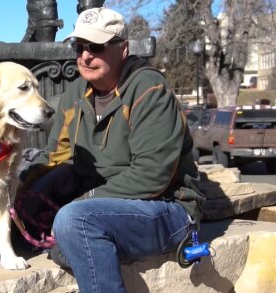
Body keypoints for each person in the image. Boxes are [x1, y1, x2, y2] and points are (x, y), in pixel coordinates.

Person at [18, 7, 204, 292]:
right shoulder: (76, 93)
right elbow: (54, 157)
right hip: (102, 207)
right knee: (33, 199)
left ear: (123, 48)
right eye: (79, 47)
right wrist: (14, 190)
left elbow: (151, 175)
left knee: (74, 220)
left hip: (167, 208)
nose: (85, 55)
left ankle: (73, 243)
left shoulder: (149, 89)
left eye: (97, 46)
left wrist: (82, 201)